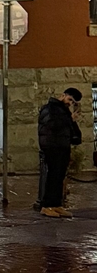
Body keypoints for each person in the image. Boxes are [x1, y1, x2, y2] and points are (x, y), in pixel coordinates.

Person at [37, 86, 82, 216]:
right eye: (70, 99)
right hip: (52, 147)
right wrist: (70, 120)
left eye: (73, 102)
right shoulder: (50, 108)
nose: (70, 103)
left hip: (62, 146)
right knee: (53, 176)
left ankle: (56, 204)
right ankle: (47, 206)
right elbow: (52, 125)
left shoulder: (63, 111)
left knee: (59, 177)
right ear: (63, 95)